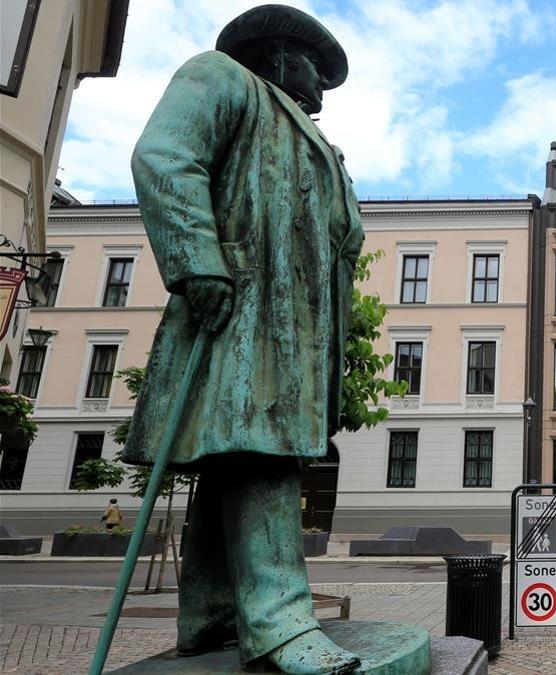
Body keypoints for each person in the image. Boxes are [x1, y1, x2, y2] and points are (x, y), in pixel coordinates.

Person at [122, 5, 363, 673]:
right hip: (243, 312)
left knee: (231, 462)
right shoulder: (221, 78)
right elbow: (165, 155)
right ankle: (281, 625)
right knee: (262, 454)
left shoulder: (320, 146)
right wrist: (196, 258)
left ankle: (212, 613)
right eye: (315, 63)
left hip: (296, 332)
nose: (321, 81)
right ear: (280, 54)